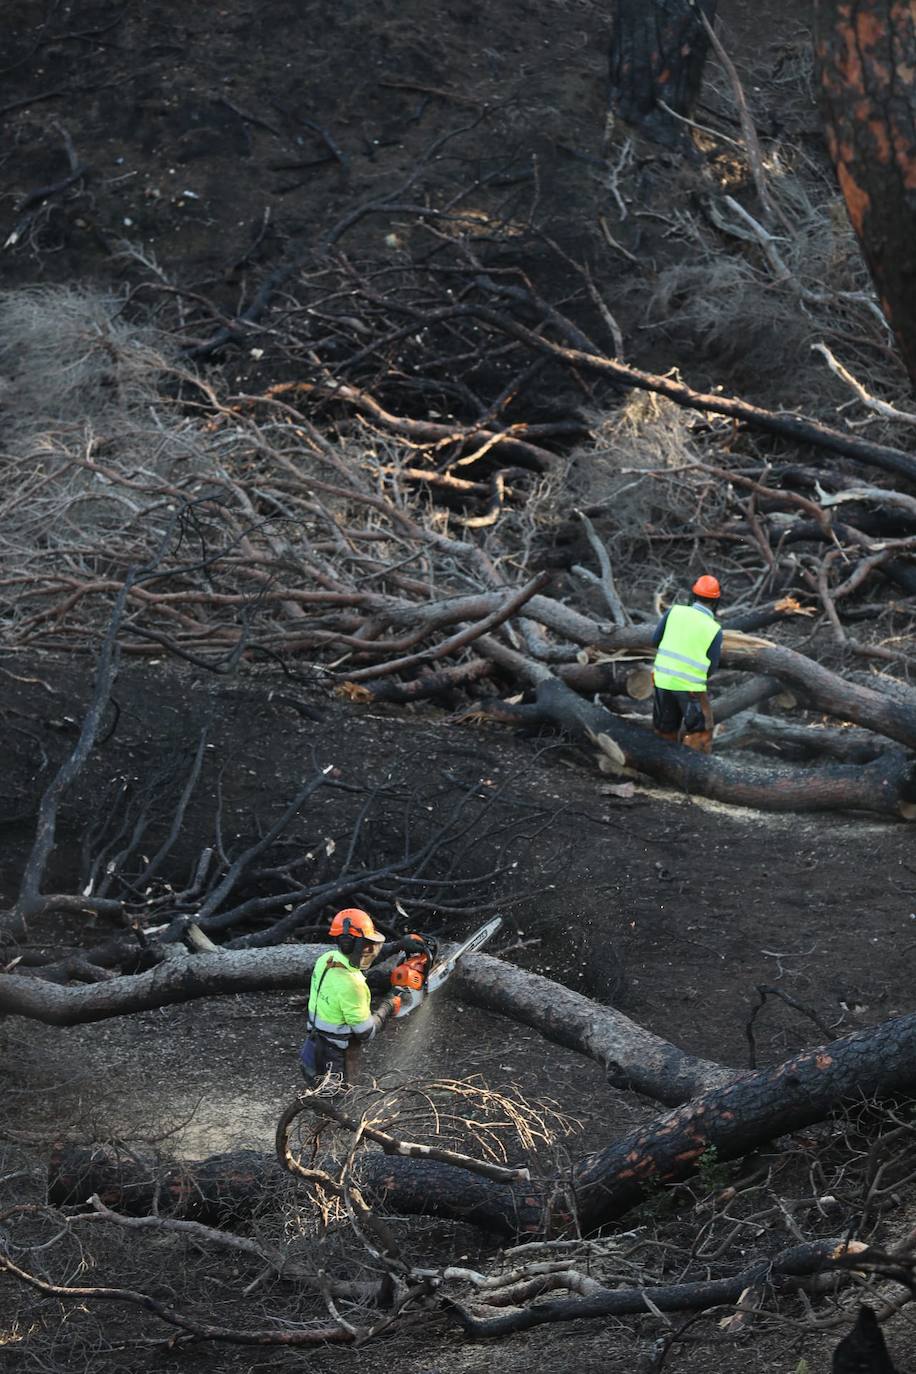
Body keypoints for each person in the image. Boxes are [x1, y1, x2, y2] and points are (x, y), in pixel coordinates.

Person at [298, 908, 426, 1087]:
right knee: (338, 1104)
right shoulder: (353, 985)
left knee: (318, 1098)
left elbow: (363, 959)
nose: (369, 949)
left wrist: (398, 946)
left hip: (312, 1050)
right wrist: (389, 1004)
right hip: (333, 1060)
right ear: (348, 943)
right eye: (365, 944)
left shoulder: (327, 959)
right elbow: (366, 1032)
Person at [651, 574, 723, 753]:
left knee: (664, 731)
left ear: (694, 595)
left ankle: (662, 768)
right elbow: (712, 667)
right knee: (701, 735)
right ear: (715, 601)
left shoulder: (674, 612)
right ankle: (694, 773)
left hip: (662, 680)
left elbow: (655, 640)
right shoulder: (714, 628)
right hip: (690, 688)